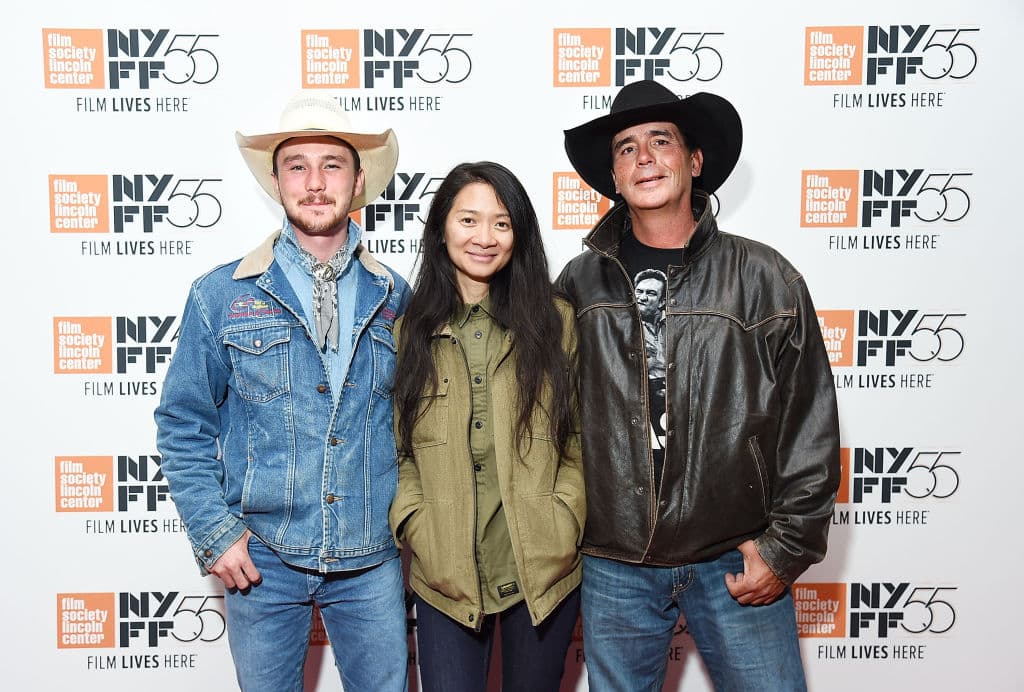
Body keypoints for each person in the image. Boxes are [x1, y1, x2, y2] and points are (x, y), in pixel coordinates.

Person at [556, 80, 841, 691]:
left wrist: (786, 548)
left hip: (734, 555)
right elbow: (550, 423)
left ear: (694, 161)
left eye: (661, 141)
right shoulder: (578, 284)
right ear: (614, 175)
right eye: (627, 148)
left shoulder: (765, 276)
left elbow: (809, 422)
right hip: (615, 563)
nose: (644, 158)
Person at [154, 94, 411, 692]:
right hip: (262, 558)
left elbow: (419, 427)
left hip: (372, 556)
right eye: (297, 165)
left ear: (358, 179)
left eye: (333, 164)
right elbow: (183, 423)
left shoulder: (397, 296)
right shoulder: (219, 296)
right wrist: (215, 532)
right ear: (275, 180)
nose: (315, 183)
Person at [389, 161, 584, 692]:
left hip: (543, 571)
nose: (484, 237)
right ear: (441, 229)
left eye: (501, 223)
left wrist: (563, 519)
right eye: (468, 220)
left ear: (519, 234)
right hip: (445, 575)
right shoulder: (408, 333)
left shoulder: (558, 322)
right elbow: (400, 451)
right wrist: (416, 522)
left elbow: (580, 441)